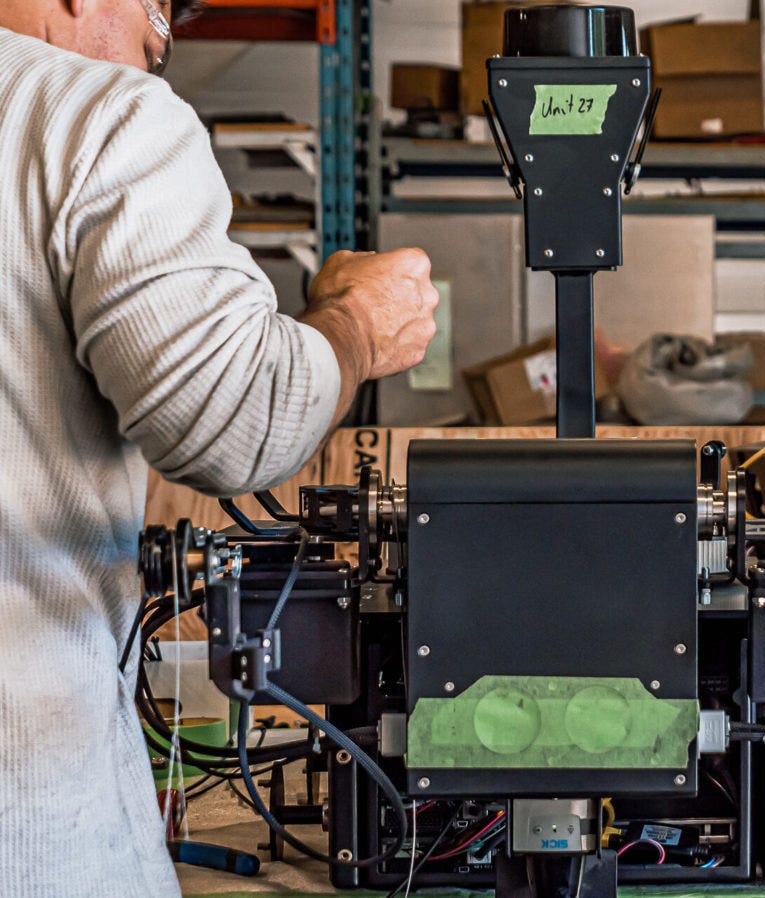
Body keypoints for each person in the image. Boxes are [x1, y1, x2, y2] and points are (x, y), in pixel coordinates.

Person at [0, 1, 438, 895]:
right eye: (157, 27)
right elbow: (237, 418)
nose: (154, 63)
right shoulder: (87, 116)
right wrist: (359, 325)